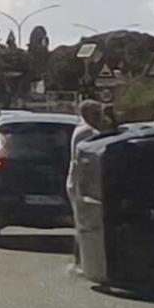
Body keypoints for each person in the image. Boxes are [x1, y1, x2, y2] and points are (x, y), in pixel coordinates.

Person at [67, 100, 104, 268]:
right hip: (82, 184)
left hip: (78, 183)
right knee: (85, 225)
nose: (99, 117)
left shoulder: (80, 130)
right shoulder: (87, 132)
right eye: (96, 113)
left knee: (81, 223)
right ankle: (81, 262)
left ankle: (79, 261)